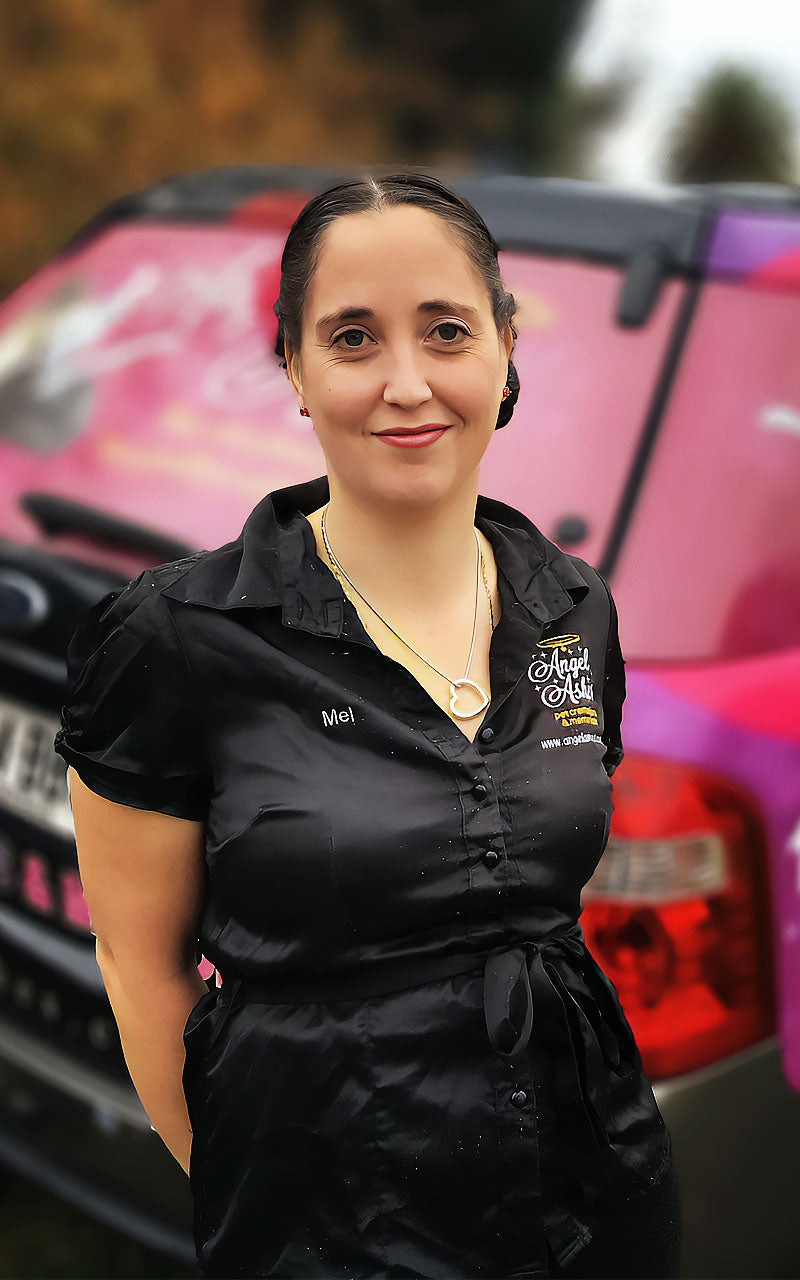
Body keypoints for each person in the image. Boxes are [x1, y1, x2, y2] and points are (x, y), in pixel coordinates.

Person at [54, 171, 682, 1279]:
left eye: (445, 330)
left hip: (591, 1200)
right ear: (294, 369)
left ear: (502, 346)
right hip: (326, 1233)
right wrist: (255, 1200)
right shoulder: (174, 636)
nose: (407, 383)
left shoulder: (573, 605)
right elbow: (139, 963)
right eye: (352, 337)